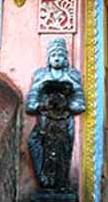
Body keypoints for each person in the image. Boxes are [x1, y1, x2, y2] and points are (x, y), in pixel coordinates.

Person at [26, 38, 85, 190]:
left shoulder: (72, 76)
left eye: (60, 55)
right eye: (53, 55)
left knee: (62, 151)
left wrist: (68, 105)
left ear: (65, 58)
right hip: (45, 120)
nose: (57, 58)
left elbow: (80, 103)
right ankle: (44, 179)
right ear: (48, 58)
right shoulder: (41, 76)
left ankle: (60, 183)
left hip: (64, 121)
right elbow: (31, 103)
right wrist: (40, 105)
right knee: (34, 142)